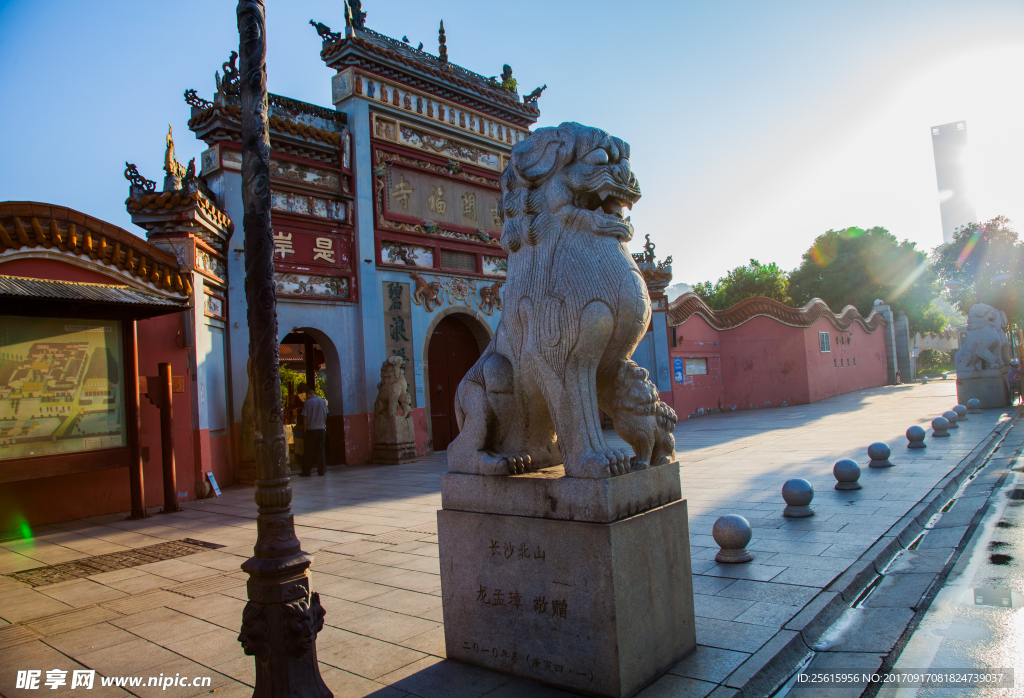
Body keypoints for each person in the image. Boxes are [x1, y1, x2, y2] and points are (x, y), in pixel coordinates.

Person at [301, 386, 328, 476]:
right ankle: (322, 470)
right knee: (321, 450)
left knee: (309, 451)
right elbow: (326, 413)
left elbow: (305, 416)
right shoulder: (323, 401)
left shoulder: (307, 403)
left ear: (308, 395)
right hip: (321, 428)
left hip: (311, 429)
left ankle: (306, 471)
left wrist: (305, 429)